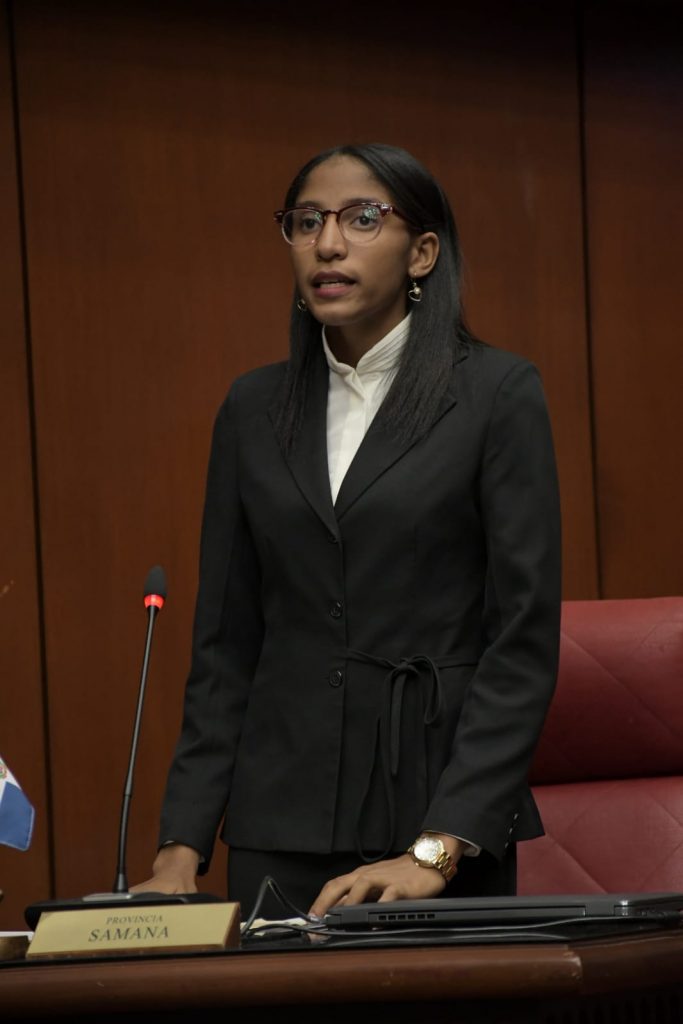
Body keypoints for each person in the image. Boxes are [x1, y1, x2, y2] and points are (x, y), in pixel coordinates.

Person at [133, 142, 562, 920]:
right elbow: (226, 645)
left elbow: (521, 642)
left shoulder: (496, 394)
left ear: (423, 252)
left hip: (434, 821)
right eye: (306, 222)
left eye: (363, 218)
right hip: (279, 821)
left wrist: (440, 846)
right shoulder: (251, 409)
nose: (328, 243)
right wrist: (181, 846)